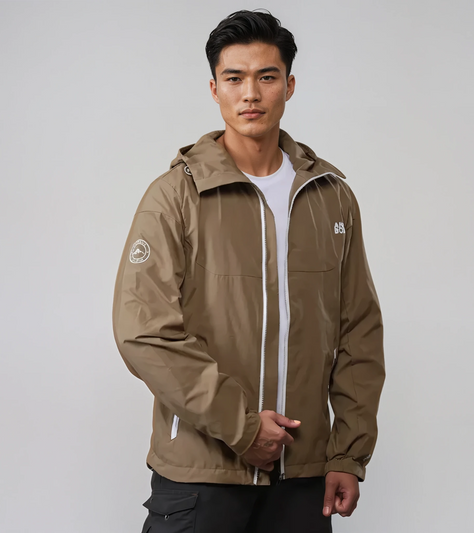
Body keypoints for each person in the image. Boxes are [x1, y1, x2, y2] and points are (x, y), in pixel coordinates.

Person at [112, 9, 385, 533]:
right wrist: (241, 427)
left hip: (303, 475)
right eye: (235, 78)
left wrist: (348, 453)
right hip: (202, 474)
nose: (251, 94)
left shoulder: (331, 197)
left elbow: (358, 331)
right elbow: (143, 332)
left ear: (290, 86)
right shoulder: (175, 196)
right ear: (214, 89)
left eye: (267, 77)